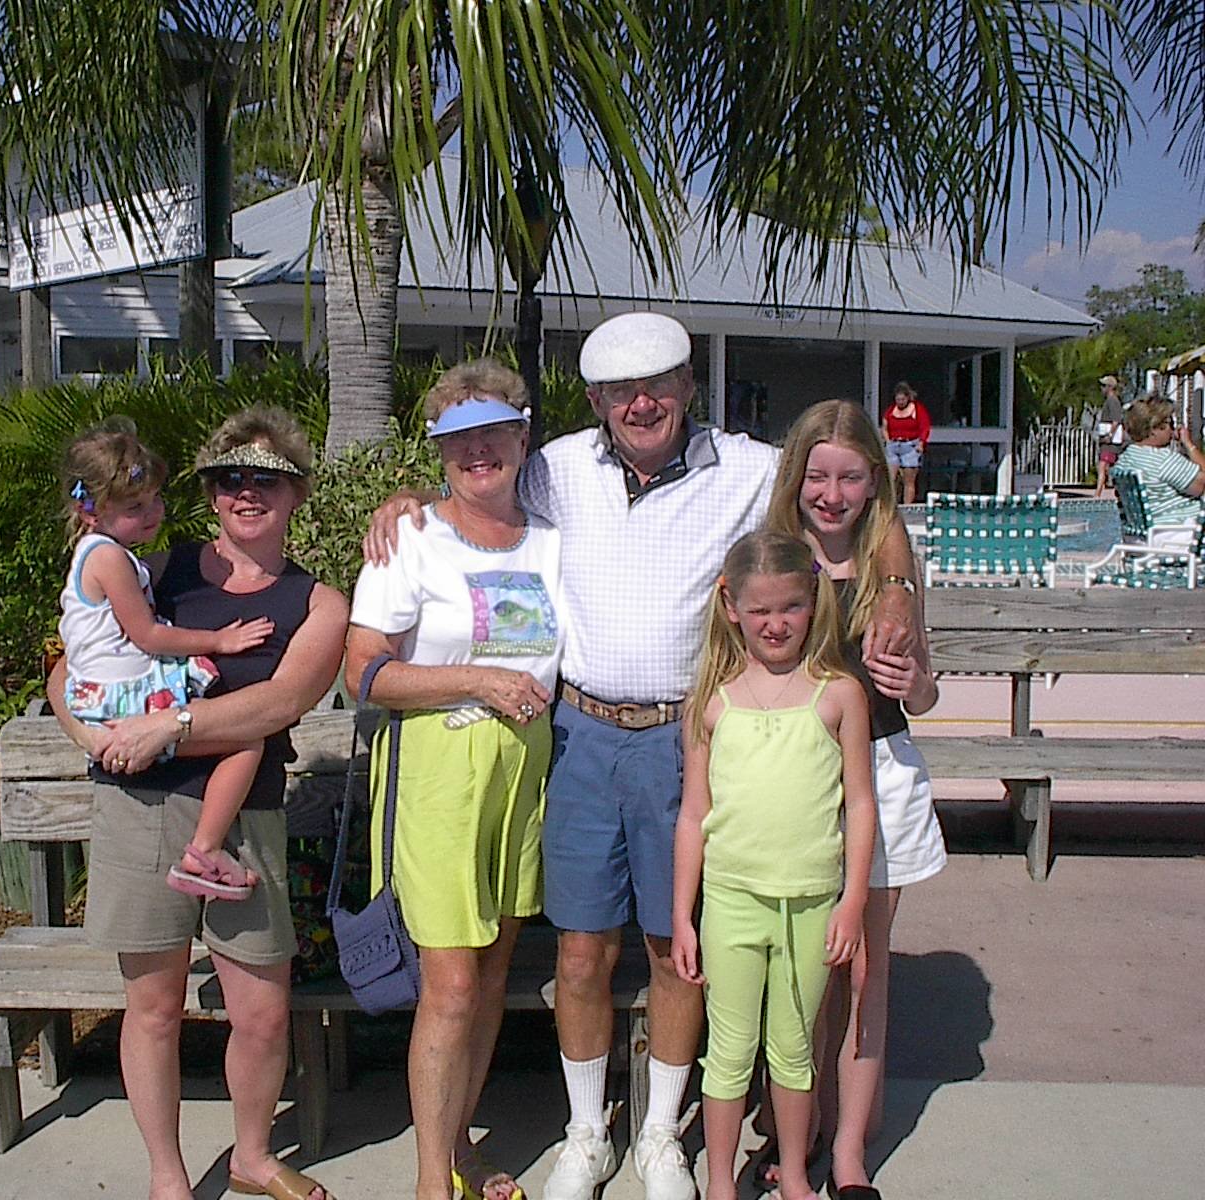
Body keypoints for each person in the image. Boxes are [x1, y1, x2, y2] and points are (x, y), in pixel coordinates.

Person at [366, 312, 919, 1200]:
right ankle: (588, 1133)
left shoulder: (746, 468)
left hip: (681, 738)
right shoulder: (553, 468)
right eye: (621, 392)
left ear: (689, 386)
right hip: (580, 735)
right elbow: (470, 482)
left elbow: (859, 492)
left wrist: (893, 585)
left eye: (659, 384)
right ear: (595, 401)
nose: (642, 403)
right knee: (581, 950)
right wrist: (404, 503)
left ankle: (660, 1133)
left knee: (672, 948)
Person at [47, 406, 348, 1200]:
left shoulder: (318, 604)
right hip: (141, 810)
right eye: (229, 478)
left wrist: (169, 726)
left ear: (298, 493)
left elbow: (277, 704)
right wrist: (95, 737)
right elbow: (67, 666)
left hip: (246, 820)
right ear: (210, 493)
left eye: (268, 480)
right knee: (153, 1010)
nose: (247, 492)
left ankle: (253, 1155)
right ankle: (168, 1175)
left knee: (263, 1013)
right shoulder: (154, 569)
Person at [346, 360, 563, 1200]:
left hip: (523, 772)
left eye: (493, 432)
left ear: (522, 438)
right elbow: (364, 672)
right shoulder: (409, 540)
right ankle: (431, 1181)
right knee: (452, 982)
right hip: (438, 772)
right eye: (457, 438)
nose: (478, 451)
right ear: (438, 449)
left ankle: (461, 1150)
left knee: (494, 973)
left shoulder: (554, 538)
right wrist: (476, 680)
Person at [767, 400, 946, 1200]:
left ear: (875, 480)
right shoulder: (776, 557)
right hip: (799, 781)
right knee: (805, 969)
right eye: (818, 476)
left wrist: (917, 683)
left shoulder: (890, 570)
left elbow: (927, 694)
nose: (831, 495)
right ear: (795, 477)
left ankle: (847, 1157)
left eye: (848, 477)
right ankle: (800, 1127)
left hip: (883, 774)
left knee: (867, 968)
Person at [671, 530, 875, 1200]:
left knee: (793, 1049)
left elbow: (860, 804)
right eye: (760, 610)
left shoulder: (839, 695)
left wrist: (851, 901)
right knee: (728, 1052)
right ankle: (721, 1182)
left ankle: (794, 1175)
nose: (776, 624)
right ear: (731, 607)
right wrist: (683, 915)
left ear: (813, 602)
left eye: (790, 607)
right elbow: (693, 814)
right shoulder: (712, 701)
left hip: (811, 903)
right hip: (731, 900)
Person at [58, 416, 273, 899]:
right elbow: (148, 635)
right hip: (122, 704)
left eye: (155, 498)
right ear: (91, 512)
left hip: (104, 696)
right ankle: (205, 851)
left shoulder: (100, 553)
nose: (152, 512)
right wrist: (218, 641)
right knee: (247, 740)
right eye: (134, 506)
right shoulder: (109, 558)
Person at [1115, 395, 1205, 547]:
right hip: (1174, 535)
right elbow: (1202, 485)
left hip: (1138, 537)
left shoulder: (1125, 460)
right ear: (1154, 429)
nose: (1173, 429)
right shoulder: (1162, 460)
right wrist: (1189, 445)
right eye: (1170, 423)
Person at [879, 383, 930, 505]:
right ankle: (889, 504)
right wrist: (888, 441)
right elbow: (885, 427)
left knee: (909, 480)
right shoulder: (891, 411)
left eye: (902, 399)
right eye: (898, 400)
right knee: (890, 478)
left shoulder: (917, 410)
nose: (900, 402)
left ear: (907, 398)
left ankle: (907, 506)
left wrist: (921, 443)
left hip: (910, 446)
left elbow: (925, 428)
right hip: (894, 445)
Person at [1094, 375, 1126, 498]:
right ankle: (1112, 491)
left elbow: (1116, 420)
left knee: (1102, 465)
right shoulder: (1109, 401)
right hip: (1107, 440)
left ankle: (1098, 493)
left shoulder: (1113, 401)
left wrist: (1110, 435)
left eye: (1104, 386)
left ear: (1110, 387)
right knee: (1107, 466)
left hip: (1110, 441)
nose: (1101, 388)